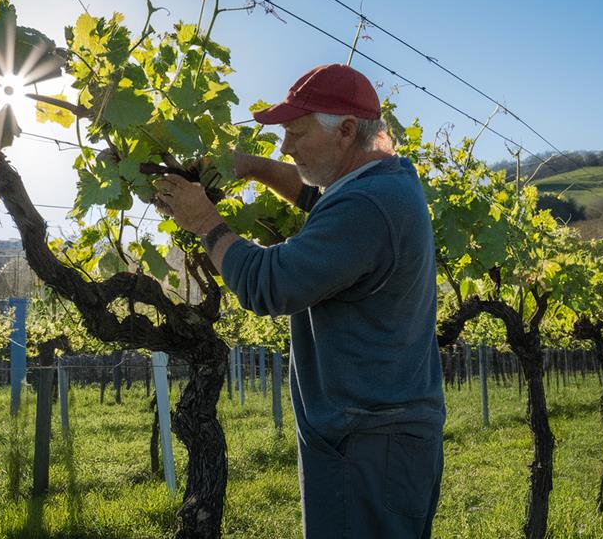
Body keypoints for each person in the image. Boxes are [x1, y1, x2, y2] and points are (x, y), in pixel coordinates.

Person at [155, 63, 444, 539]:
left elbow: (269, 284)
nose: (285, 147)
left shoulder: (367, 207)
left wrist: (204, 221)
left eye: (296, 133)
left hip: (366, 443)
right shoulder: (385, 181)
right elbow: (320, 200)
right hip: (378, 433)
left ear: (347, 131)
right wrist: (250, 166)